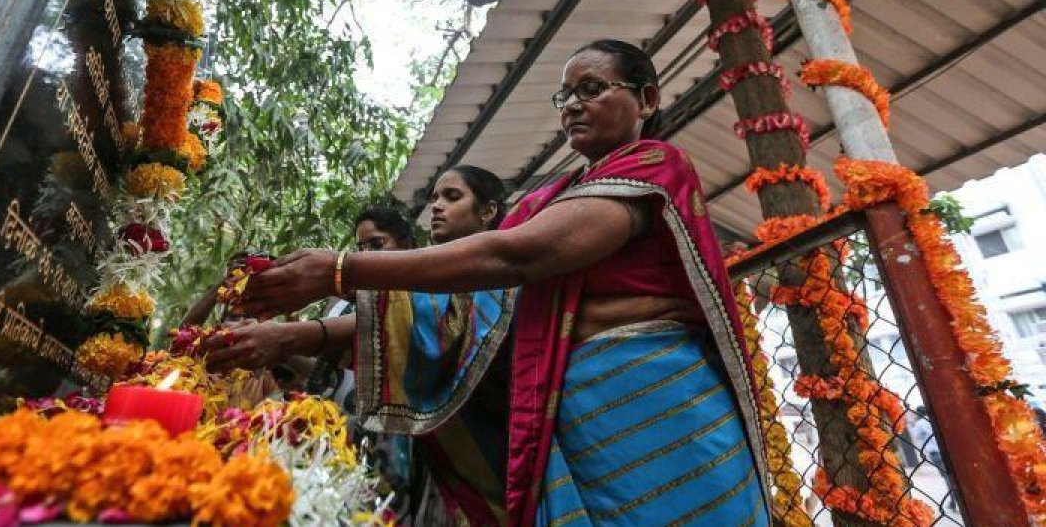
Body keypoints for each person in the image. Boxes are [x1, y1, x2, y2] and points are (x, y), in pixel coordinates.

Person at [244, 39, 771, 526]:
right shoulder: (548, 201)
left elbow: (520, 255)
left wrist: (340, 271)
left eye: (591, 89)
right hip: (574, 422)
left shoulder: (654, 164)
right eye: (565, 96)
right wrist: (296, 336)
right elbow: (455, 316)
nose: (572, 106)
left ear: (647, 99)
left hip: (658, 404)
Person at [204, 171, 515, 525]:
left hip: (475, 452)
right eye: (434, 198)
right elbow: (354, 354)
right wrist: (278, 340)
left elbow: (416, 332)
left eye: (452, 197)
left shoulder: (502, 273)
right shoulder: (408, 286)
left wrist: (291, 333)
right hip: (414, 450)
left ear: (488, 211)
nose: (437, 207)